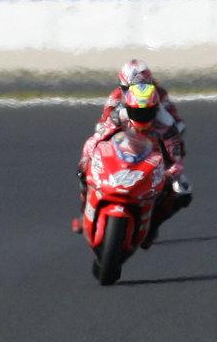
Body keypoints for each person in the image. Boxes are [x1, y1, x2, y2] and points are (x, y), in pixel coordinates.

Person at [77, 82, 192, 243]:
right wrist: (87, 159)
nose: (141, 116)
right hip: (120, 156)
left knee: (183, 191)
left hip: (154, 163)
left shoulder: (166, 125)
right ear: (128, 107)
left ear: (155, 109)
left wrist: (169, 174)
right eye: (136, 111)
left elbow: (177, 159)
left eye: (146, 112)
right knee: (83, 173)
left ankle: (153, 225)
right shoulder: (118, 116)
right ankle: (84, 211)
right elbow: (95, 139)